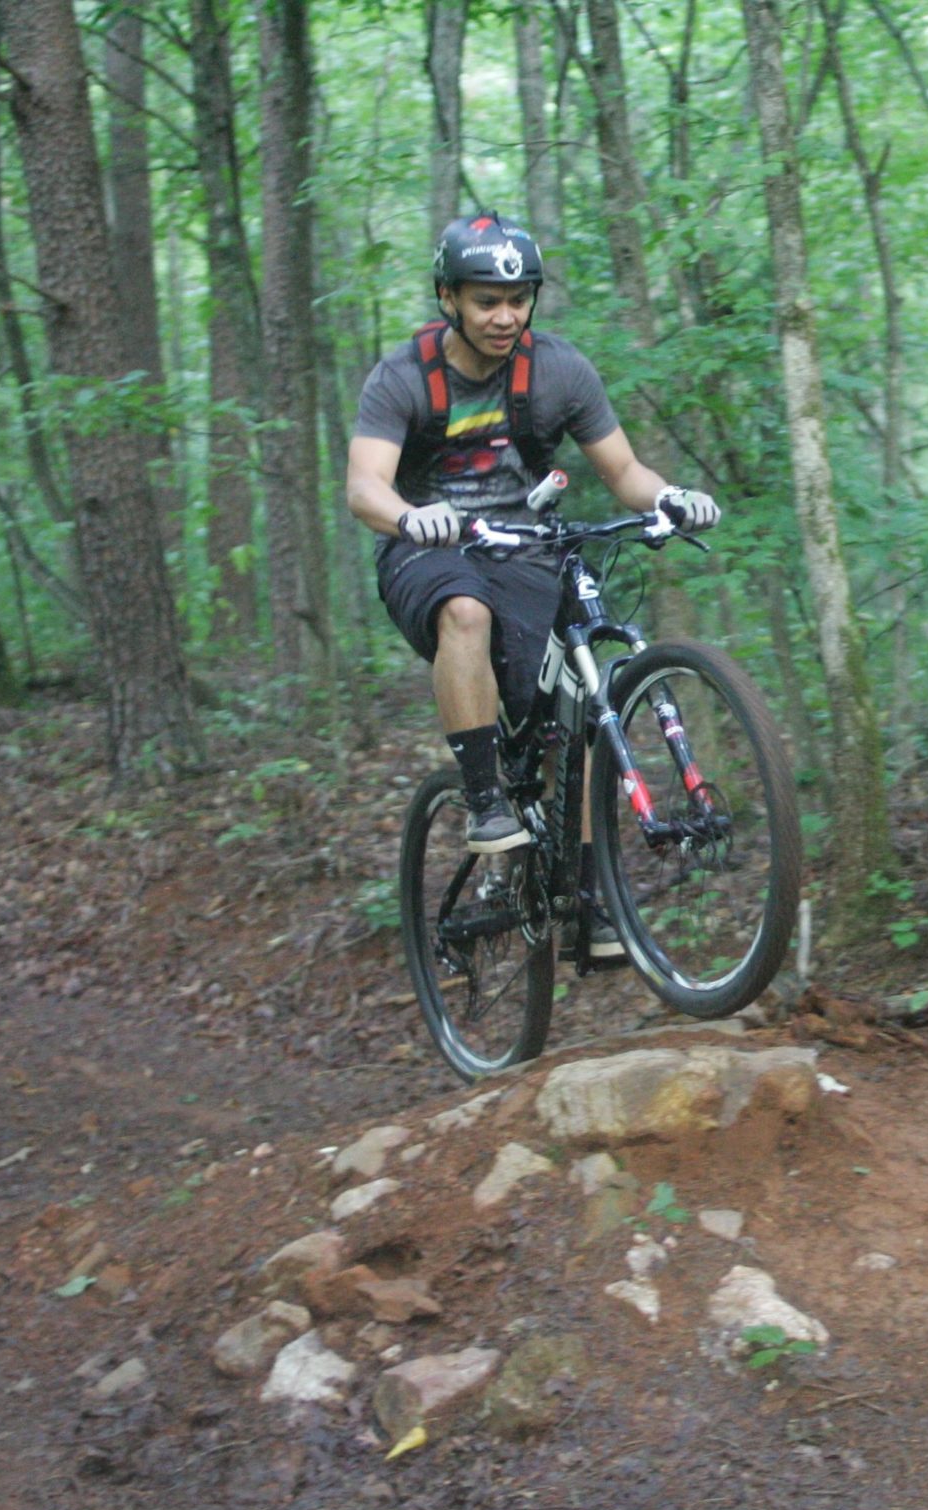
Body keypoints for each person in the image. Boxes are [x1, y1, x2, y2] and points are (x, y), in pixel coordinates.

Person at [347, 212, 720, 959]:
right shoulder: (404, 377)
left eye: (518, 300)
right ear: (449, 297)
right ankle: (485, 801)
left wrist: (669, 498)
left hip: (523, 549)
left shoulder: (559, 371)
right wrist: (411, 518)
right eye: (486, 300)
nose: (504, 316)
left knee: (577, 707)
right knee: (464, 608)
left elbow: (623, 473)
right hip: (425, 549)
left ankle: (589, 893)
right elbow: (364, 487)